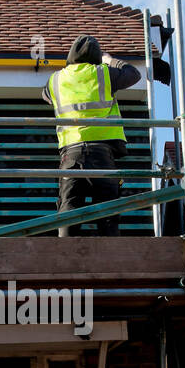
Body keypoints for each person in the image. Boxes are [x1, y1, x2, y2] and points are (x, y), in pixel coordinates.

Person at [43, 34, 141, 236]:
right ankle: (110, 261)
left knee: (69, 210)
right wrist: (109, 59)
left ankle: (64, 257)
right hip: (101, 154)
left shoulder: (56, 79)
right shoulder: (104, 73)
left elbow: (45, 95)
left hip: (70, 154)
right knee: (106, 210)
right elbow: (133, 74)